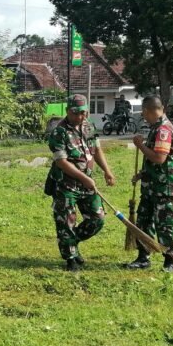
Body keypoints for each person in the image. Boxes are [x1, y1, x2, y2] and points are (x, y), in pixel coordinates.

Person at [48, 94, 116, 271]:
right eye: (76, 113)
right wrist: (84, 178)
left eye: (83, 113)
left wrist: (107, 171)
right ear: (67, 111)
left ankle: (72, 241)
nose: (80, 117)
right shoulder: (59, 132)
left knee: (97, 219)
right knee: (66, 221)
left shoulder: (88, 126)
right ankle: (70, 258)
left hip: (87, 184)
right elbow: (61, 162)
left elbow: (97, 150)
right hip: (66, 184)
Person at [126, 95, 173, 272]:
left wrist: (140, 145)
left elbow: (159, 158)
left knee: (164, 225)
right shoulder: (156, 128)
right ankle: (143, 257)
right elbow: (156, 162)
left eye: (143, 114)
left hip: (164, 188)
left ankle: (169, 261)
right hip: (151, 186)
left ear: (147, 111)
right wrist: (142, 174)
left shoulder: (163, 129)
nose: (143, 117)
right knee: (144, 221)